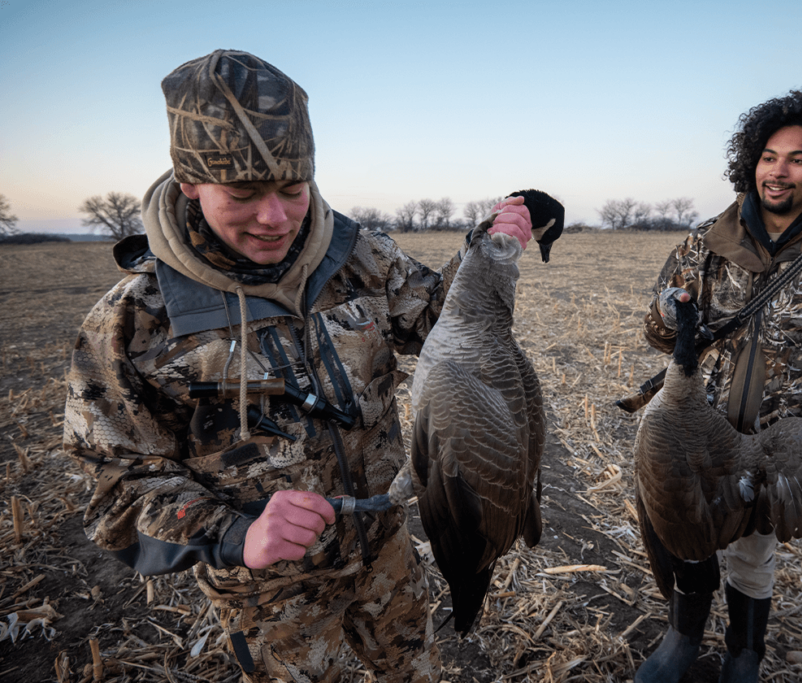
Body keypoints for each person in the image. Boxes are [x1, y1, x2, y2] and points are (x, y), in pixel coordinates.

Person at [62, 50, 533, 683]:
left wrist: (489, 253)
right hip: (267, 595)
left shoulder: (359, 255)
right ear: (189, 186)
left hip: (387, 552)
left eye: (292, 189)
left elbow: (438, 326)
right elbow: (115, 490)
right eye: (244, 194)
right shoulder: (133, 323)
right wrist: (234, 533)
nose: (276, 218)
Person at [634, 85, 802, 683]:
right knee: (690, 535)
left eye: (798, 159)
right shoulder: (705, 242)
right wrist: (668, 311)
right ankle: (682, 637)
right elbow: (655, 333)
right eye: (769, 157)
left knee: (753, 553)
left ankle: (743, 654)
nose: (778, 172)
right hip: (695, 428)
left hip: (776, 438)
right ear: (751, 161)